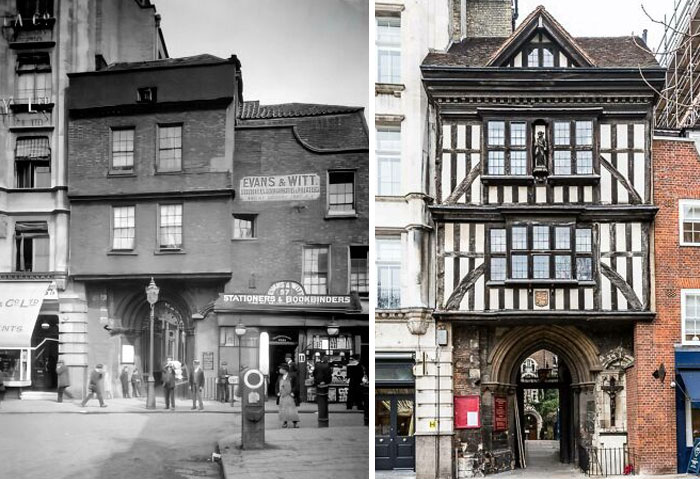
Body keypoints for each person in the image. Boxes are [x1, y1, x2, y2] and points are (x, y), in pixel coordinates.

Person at [277, 364, 299, 428]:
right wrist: (277, 392)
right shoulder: (279, 377)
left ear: (284, 370)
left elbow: (296, 385)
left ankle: (295, 423)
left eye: (281, 369)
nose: (279, 370)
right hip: (282, 395)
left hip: (289, 395)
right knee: (283, 409)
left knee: (292, 409)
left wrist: (293, 392)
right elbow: (276, 385)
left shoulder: (292, 376)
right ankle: (285, 422)